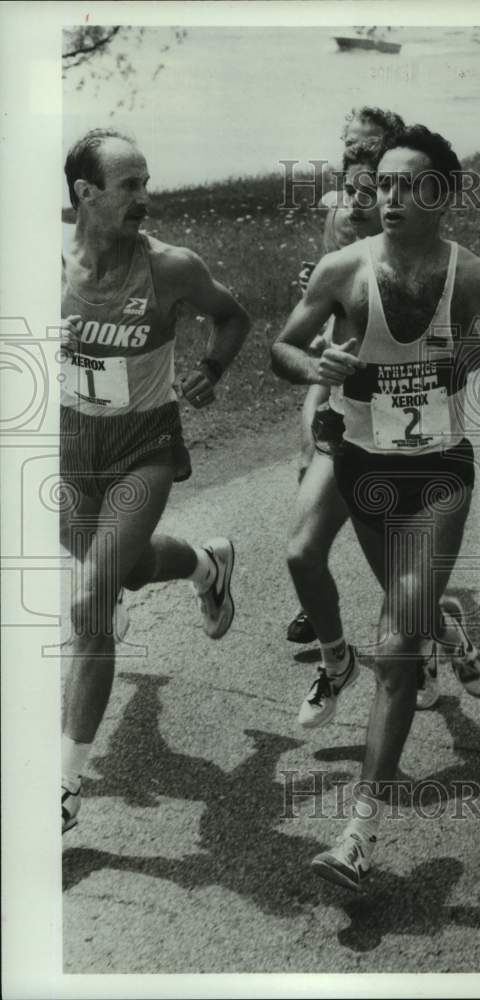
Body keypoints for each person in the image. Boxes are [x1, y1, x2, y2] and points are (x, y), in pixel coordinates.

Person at [271, 124, 480, 889]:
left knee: (396, 646)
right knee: (302, 555)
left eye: (408, 184)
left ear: (442, 196)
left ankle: (357, 834)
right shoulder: (343, 269)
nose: (387, 197)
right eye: (380, 184)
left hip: (435, 476)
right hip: (354, 459)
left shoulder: (475, 274)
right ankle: (390, 640)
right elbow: (281, 346)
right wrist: (312, 362)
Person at [60, 129, 251, 833]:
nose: (146, 197)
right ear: (86, 194)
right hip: (65, 450)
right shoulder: (38, 256)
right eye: (129, 186)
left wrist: (214, 367)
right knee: (131, 572)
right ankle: (207, 565)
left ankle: (63, 792)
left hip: (143, 446)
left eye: (147, 182)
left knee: (89, 604)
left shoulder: (170, 268)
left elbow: (232, 316)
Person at [287, 107, 404, 645]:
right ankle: (317, 594)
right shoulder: (338, 204)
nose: (351, 149)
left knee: (376, 506)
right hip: (335, 349)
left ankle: (412, 616)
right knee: (312, 447)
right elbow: (328, 270)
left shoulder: (394, 203)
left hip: (384, 361)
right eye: (347, 142)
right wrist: (315, 280)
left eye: (364, 143)